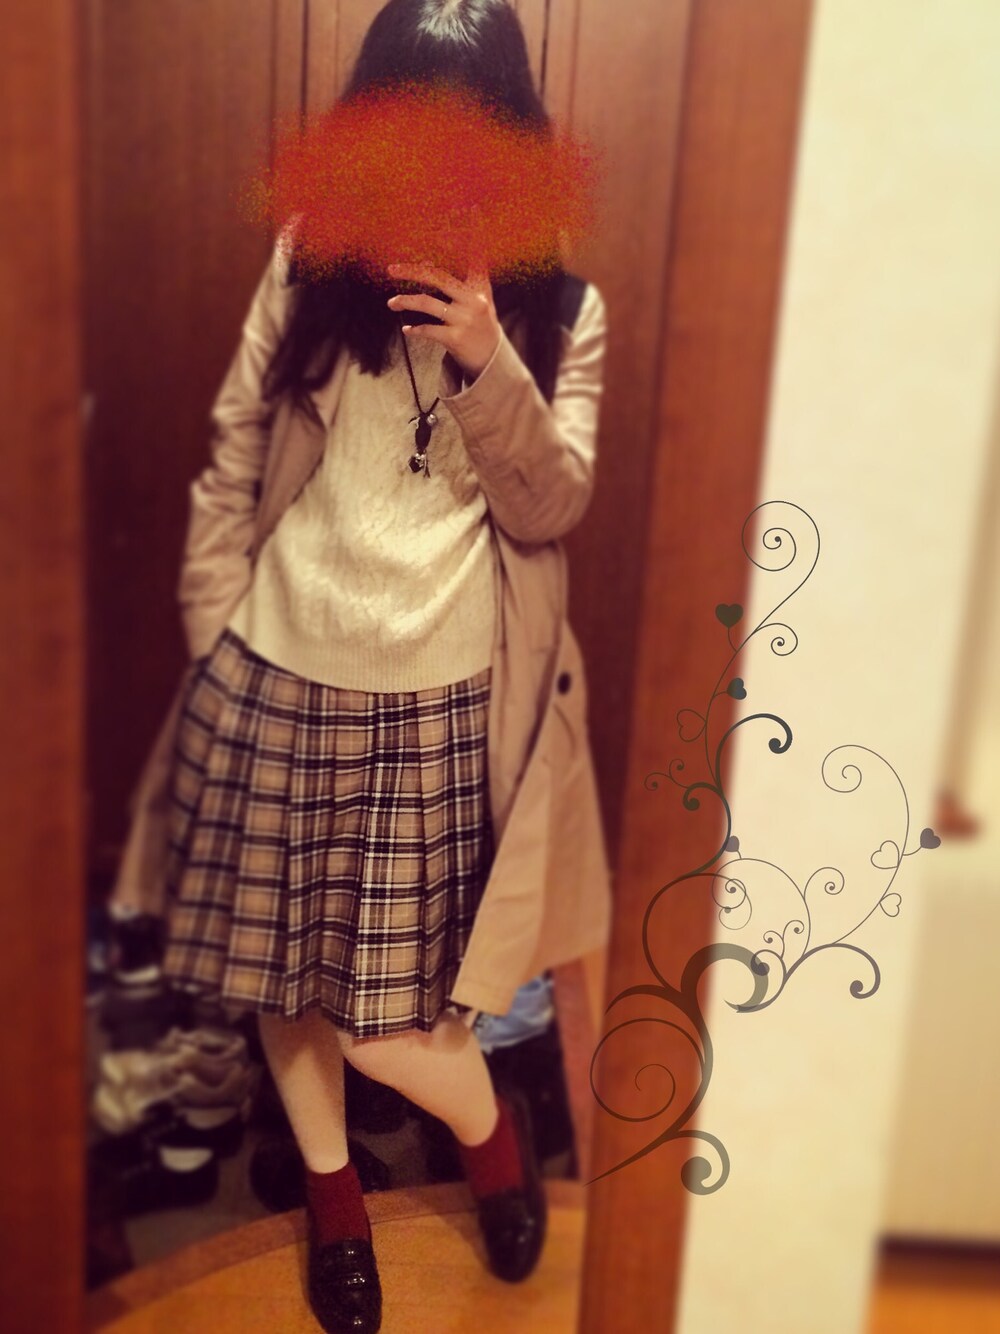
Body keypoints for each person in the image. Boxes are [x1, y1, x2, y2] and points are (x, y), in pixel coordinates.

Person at [116, 2, 611, 1331]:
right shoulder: (308, 258)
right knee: (280, 982)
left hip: (437, 705)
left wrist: (486, 357)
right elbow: (235, 448)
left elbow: (553, 504)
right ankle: (335, 1198)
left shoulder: (563, 310)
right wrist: (213, 632)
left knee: (390, 1017)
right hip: (270, 672)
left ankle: (490, 1135)